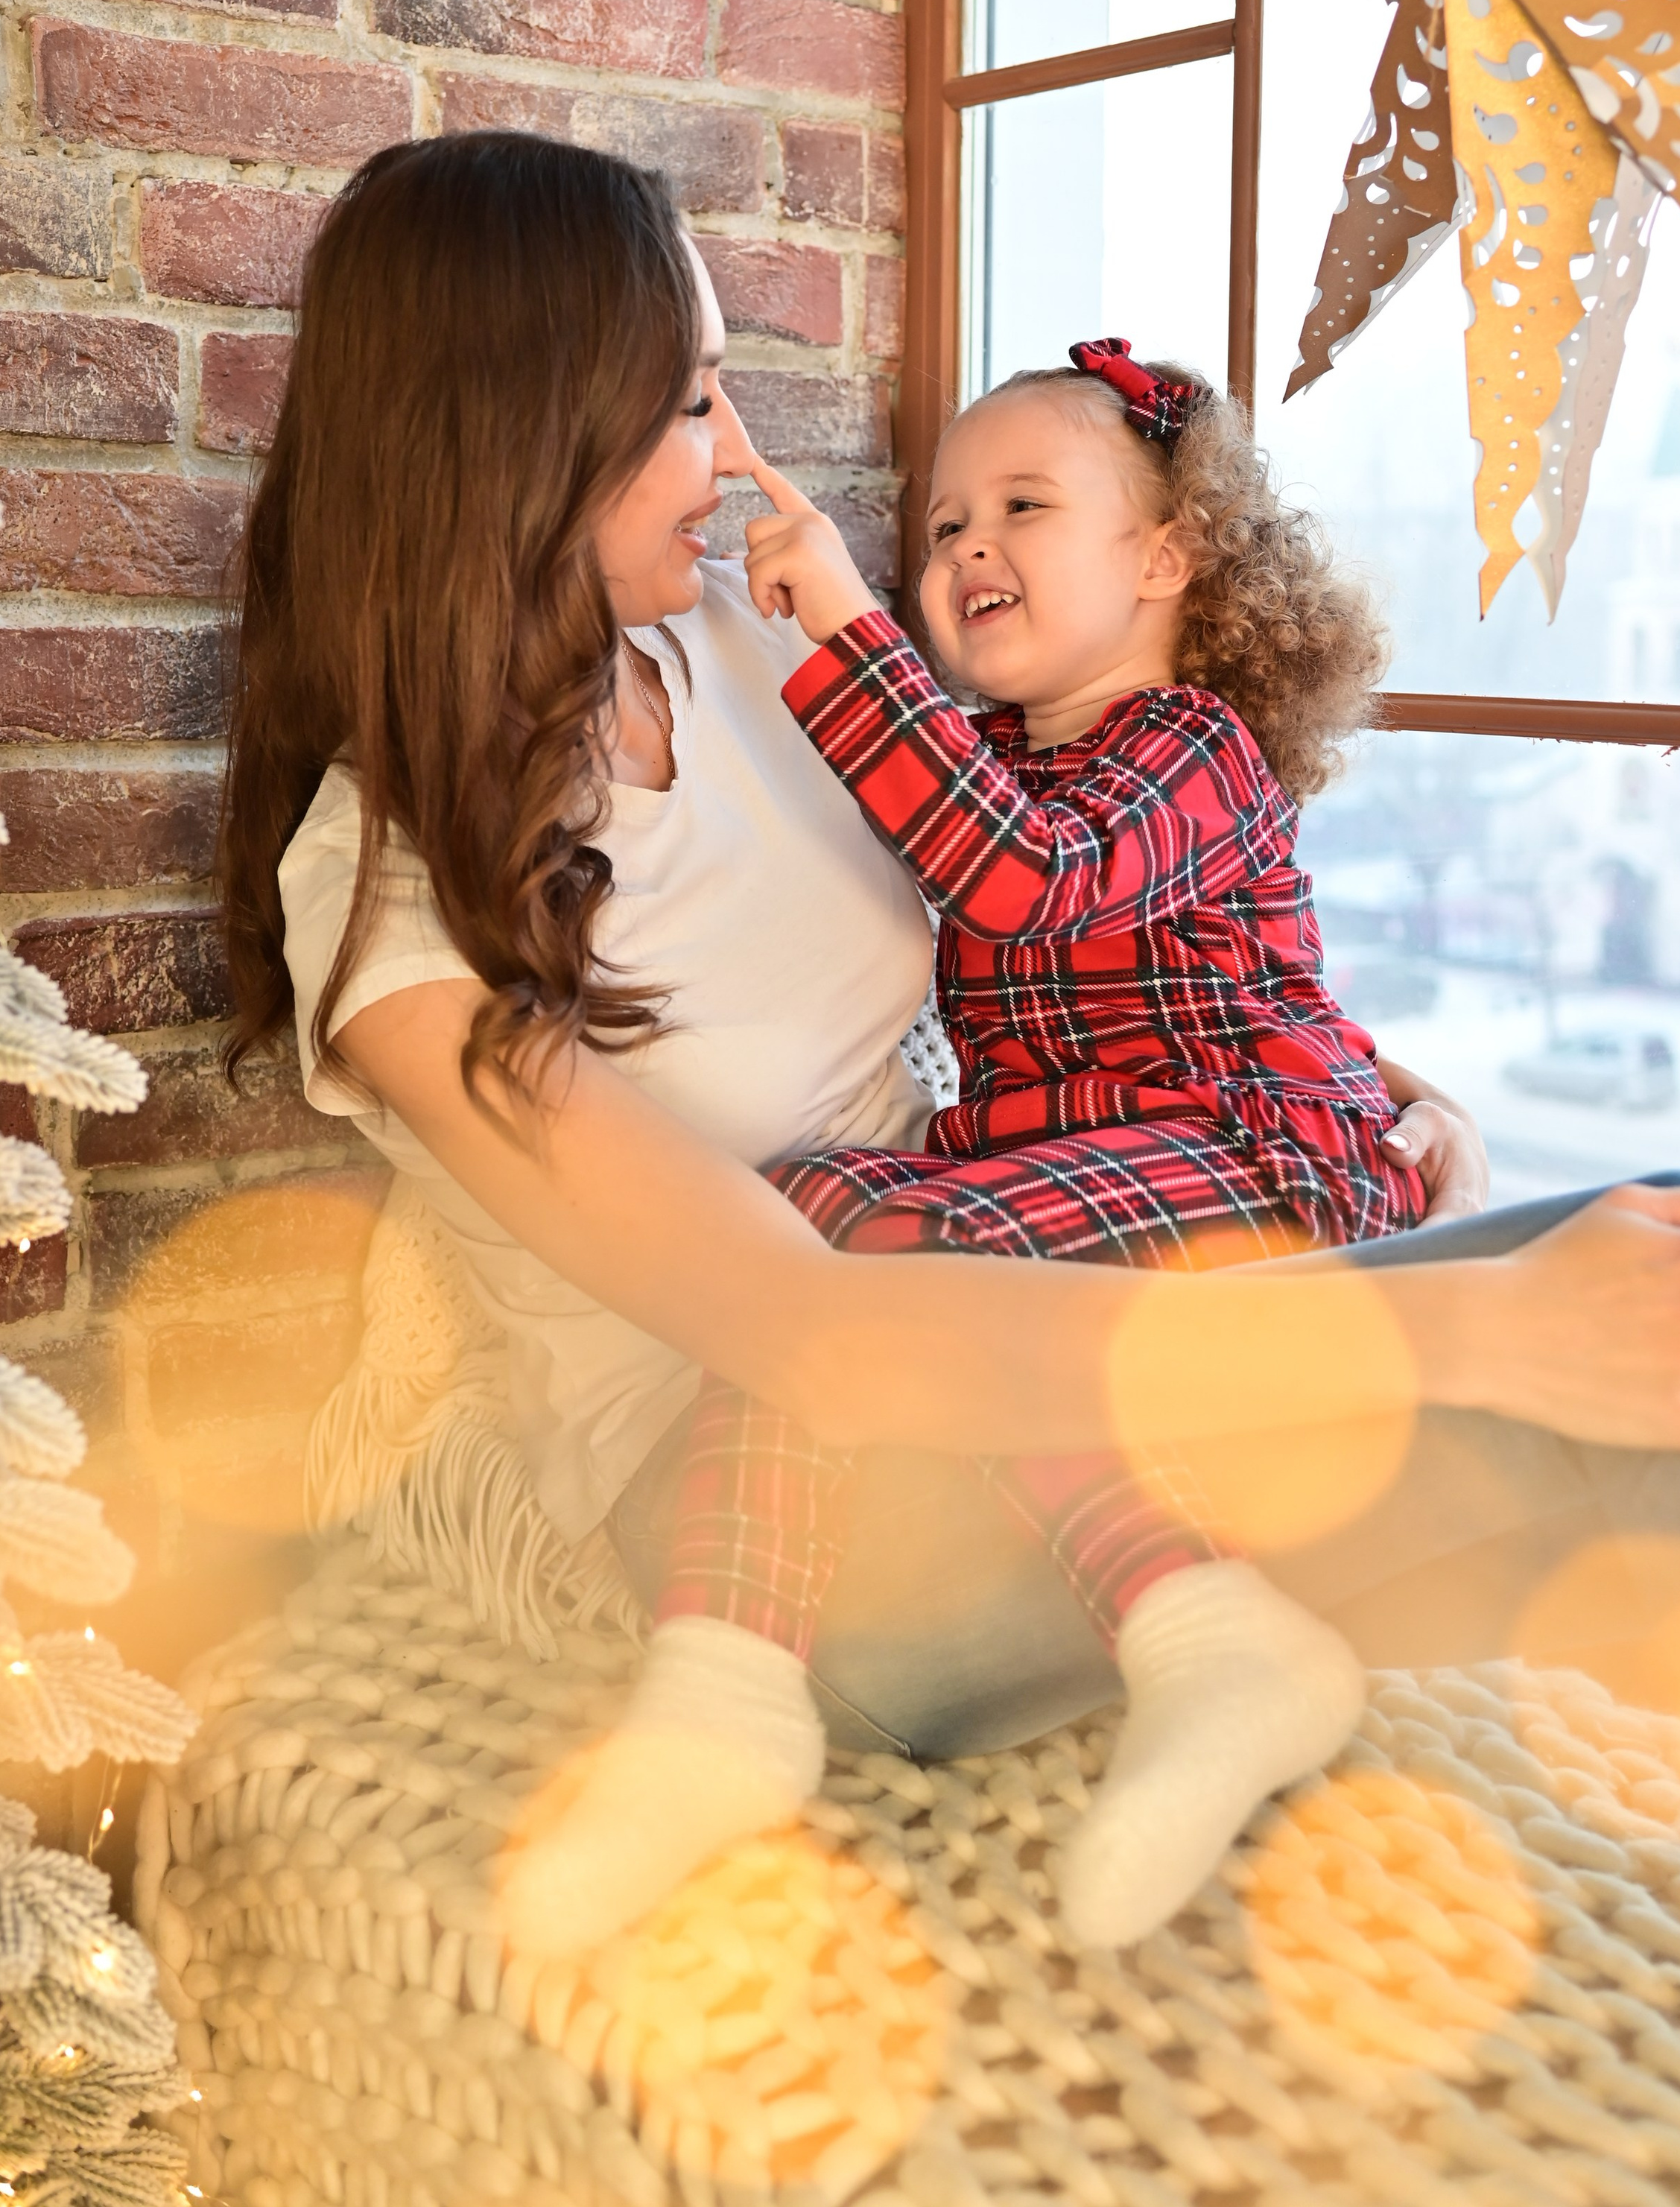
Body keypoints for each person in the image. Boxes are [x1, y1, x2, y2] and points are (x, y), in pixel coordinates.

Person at [218, 132, 1680, 1936]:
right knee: (1632, 1296)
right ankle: (805, 1708)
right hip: (783, 1525)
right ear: (523, 432)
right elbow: (810, 1333)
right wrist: (1482, 1320)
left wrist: (1356, 1078)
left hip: (1026, 1339)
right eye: (683, 400)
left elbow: (1091, 897)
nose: (730, 450)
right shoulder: (390, 898)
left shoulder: (741, 659)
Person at [549, 338, 1427, 1954]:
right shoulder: (995, 767)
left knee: (890, 1248)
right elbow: (973, 835)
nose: (965, 549)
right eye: (942, 524)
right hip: (1096, 1187)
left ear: (1164, 560)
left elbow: (1026, 876)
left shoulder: (1190, 749)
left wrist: (841, 628)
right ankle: (727, 1686)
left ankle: (1205, 1639)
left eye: (1022, 505)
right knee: (798, 1224)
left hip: (1256, 1165)